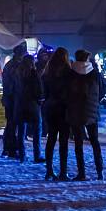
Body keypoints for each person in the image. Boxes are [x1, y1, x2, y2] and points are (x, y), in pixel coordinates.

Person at [67, 49, 104, 181]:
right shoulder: (95, 73)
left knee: (78, 143)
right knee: (95, 142)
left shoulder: (70, 73)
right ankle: (100, 171)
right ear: (87, 59)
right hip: (92, 112)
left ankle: (81, 172)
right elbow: (101, 92)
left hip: (75, 111)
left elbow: (67, 93)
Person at [42, 47, 71, 181]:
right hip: (63, 108)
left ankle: (49, 170)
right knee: (63, 141)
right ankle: (63, 171)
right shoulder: (68, 72)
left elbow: (44, 93)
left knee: (51, 139)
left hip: (50, 107)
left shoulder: (47, 73)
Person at [14, 54, 45, 164]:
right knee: (37, 131)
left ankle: (22, 155)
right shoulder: (34, 74)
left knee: (21, 131)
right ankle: (37, 155)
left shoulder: (17, 74)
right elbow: (39, 90)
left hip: (20, 105)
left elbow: (14, 89)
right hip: (32, 105)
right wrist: (40, 100)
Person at [1, 42, 27, 158]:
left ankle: (9, 148)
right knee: (12, 125)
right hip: (13, 99)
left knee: (11, 125)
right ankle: (10, 149)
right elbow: (12, 84)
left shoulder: (10, 65)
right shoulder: (15, 66)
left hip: (12, 99)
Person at [35, 46, 53, 138]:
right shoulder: (37, 66)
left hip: (48, 93)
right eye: (43, 55)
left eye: (46, 55)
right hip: (40, 93)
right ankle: (43, 130)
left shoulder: (50, 65)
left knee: (46, 114)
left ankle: (46, 130)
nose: (45, 57)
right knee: (41, 114)